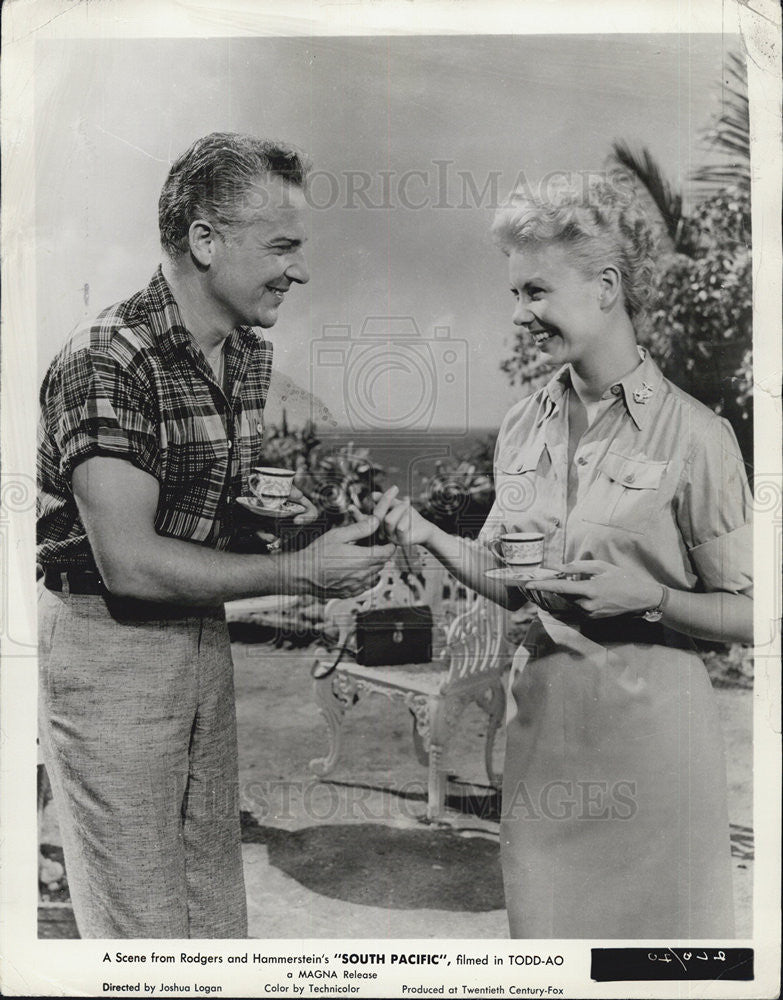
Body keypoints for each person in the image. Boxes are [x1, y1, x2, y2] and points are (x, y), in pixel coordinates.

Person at [37, 132, 396, 939]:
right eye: (281, 246)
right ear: (204, 239)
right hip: (107, 650)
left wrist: (309, 527)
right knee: (144, 932)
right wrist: (301, 573)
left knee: (212, 917)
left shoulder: (244, 358)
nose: (298, 270)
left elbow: (198, 516)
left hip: (197, 639)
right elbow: (128, 563)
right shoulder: (107, 359)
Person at [376, 174, 752, 938]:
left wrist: (645, 597)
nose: (518, 315)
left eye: (535, 292)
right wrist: (430, 536)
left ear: (605, 286)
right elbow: (514, 586)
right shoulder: (522, 426)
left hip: (654, 756)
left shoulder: (696, 436)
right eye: (515, 294)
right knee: (545, 964)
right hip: (543, 747)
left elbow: (752, 613)